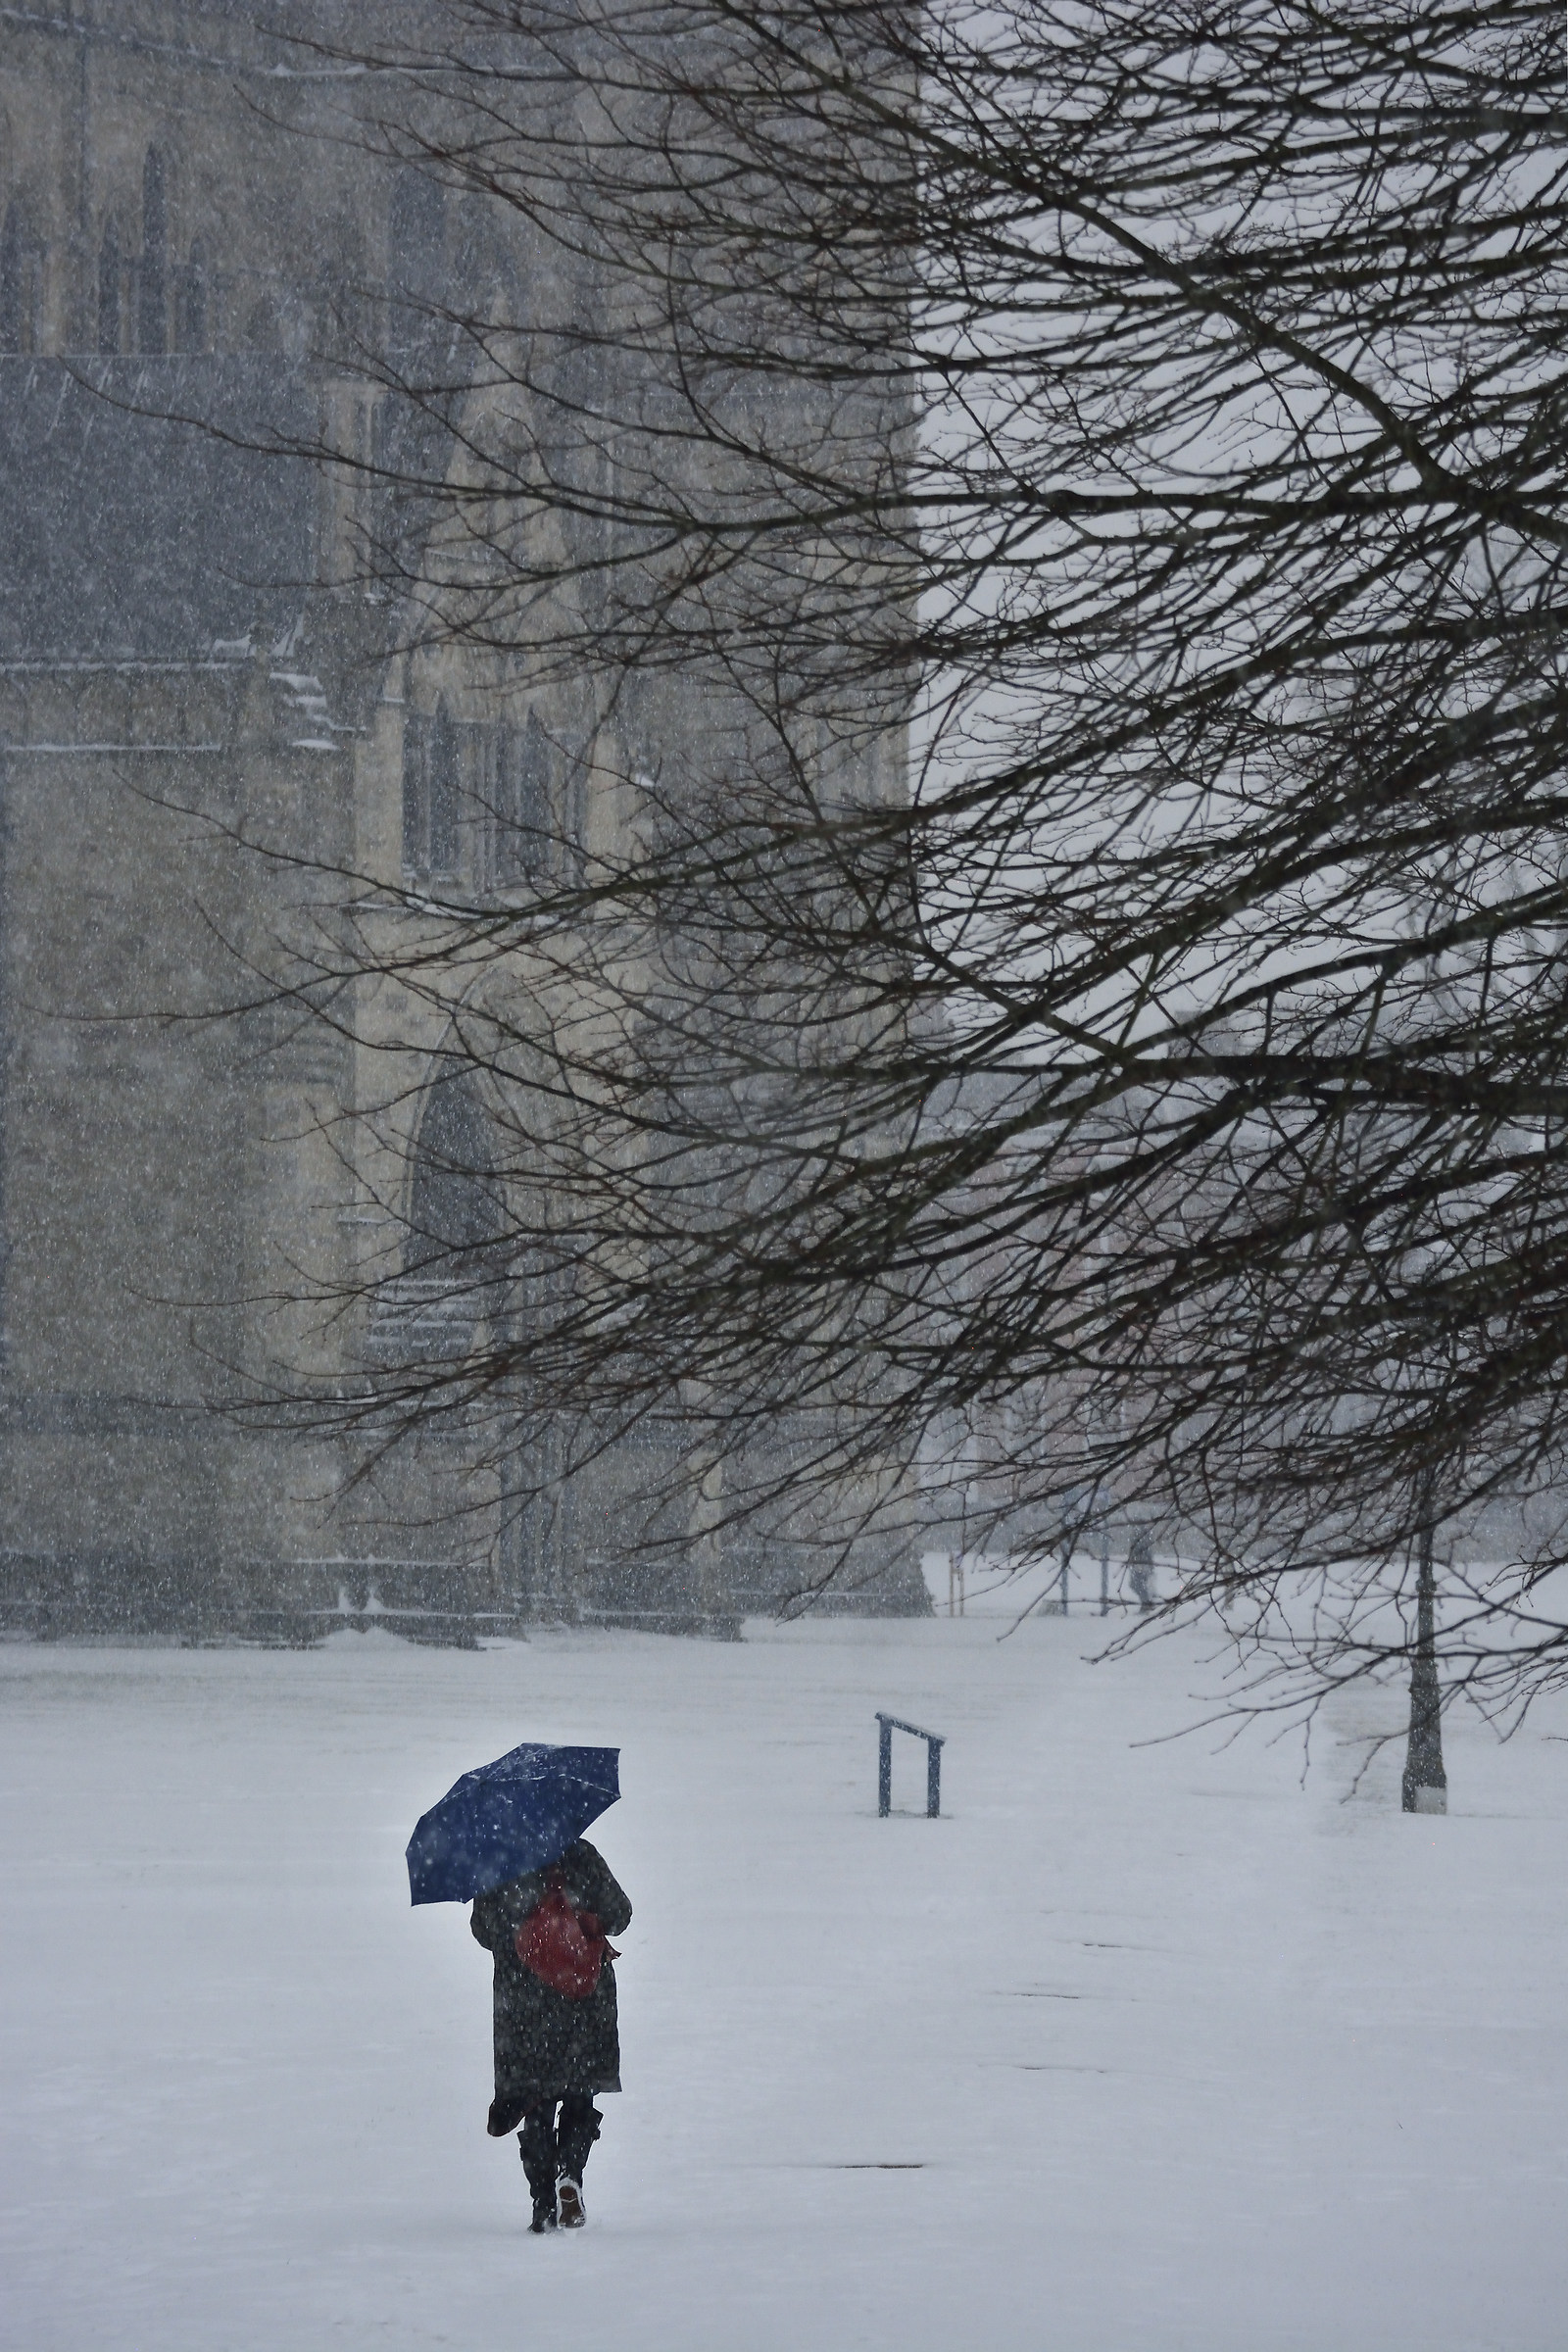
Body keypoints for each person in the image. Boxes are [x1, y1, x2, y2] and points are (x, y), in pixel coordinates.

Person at [470, 1837, 633, 2232]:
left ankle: (543, 2204)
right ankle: (570, 2174)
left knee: (534, 2103)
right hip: (582, 1994)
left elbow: (484, 1931)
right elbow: (620, 1914)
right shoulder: (579, 1853)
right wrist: (582, 1919)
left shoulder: (500, 1858)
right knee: (579, 2093)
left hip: (523, 2004)